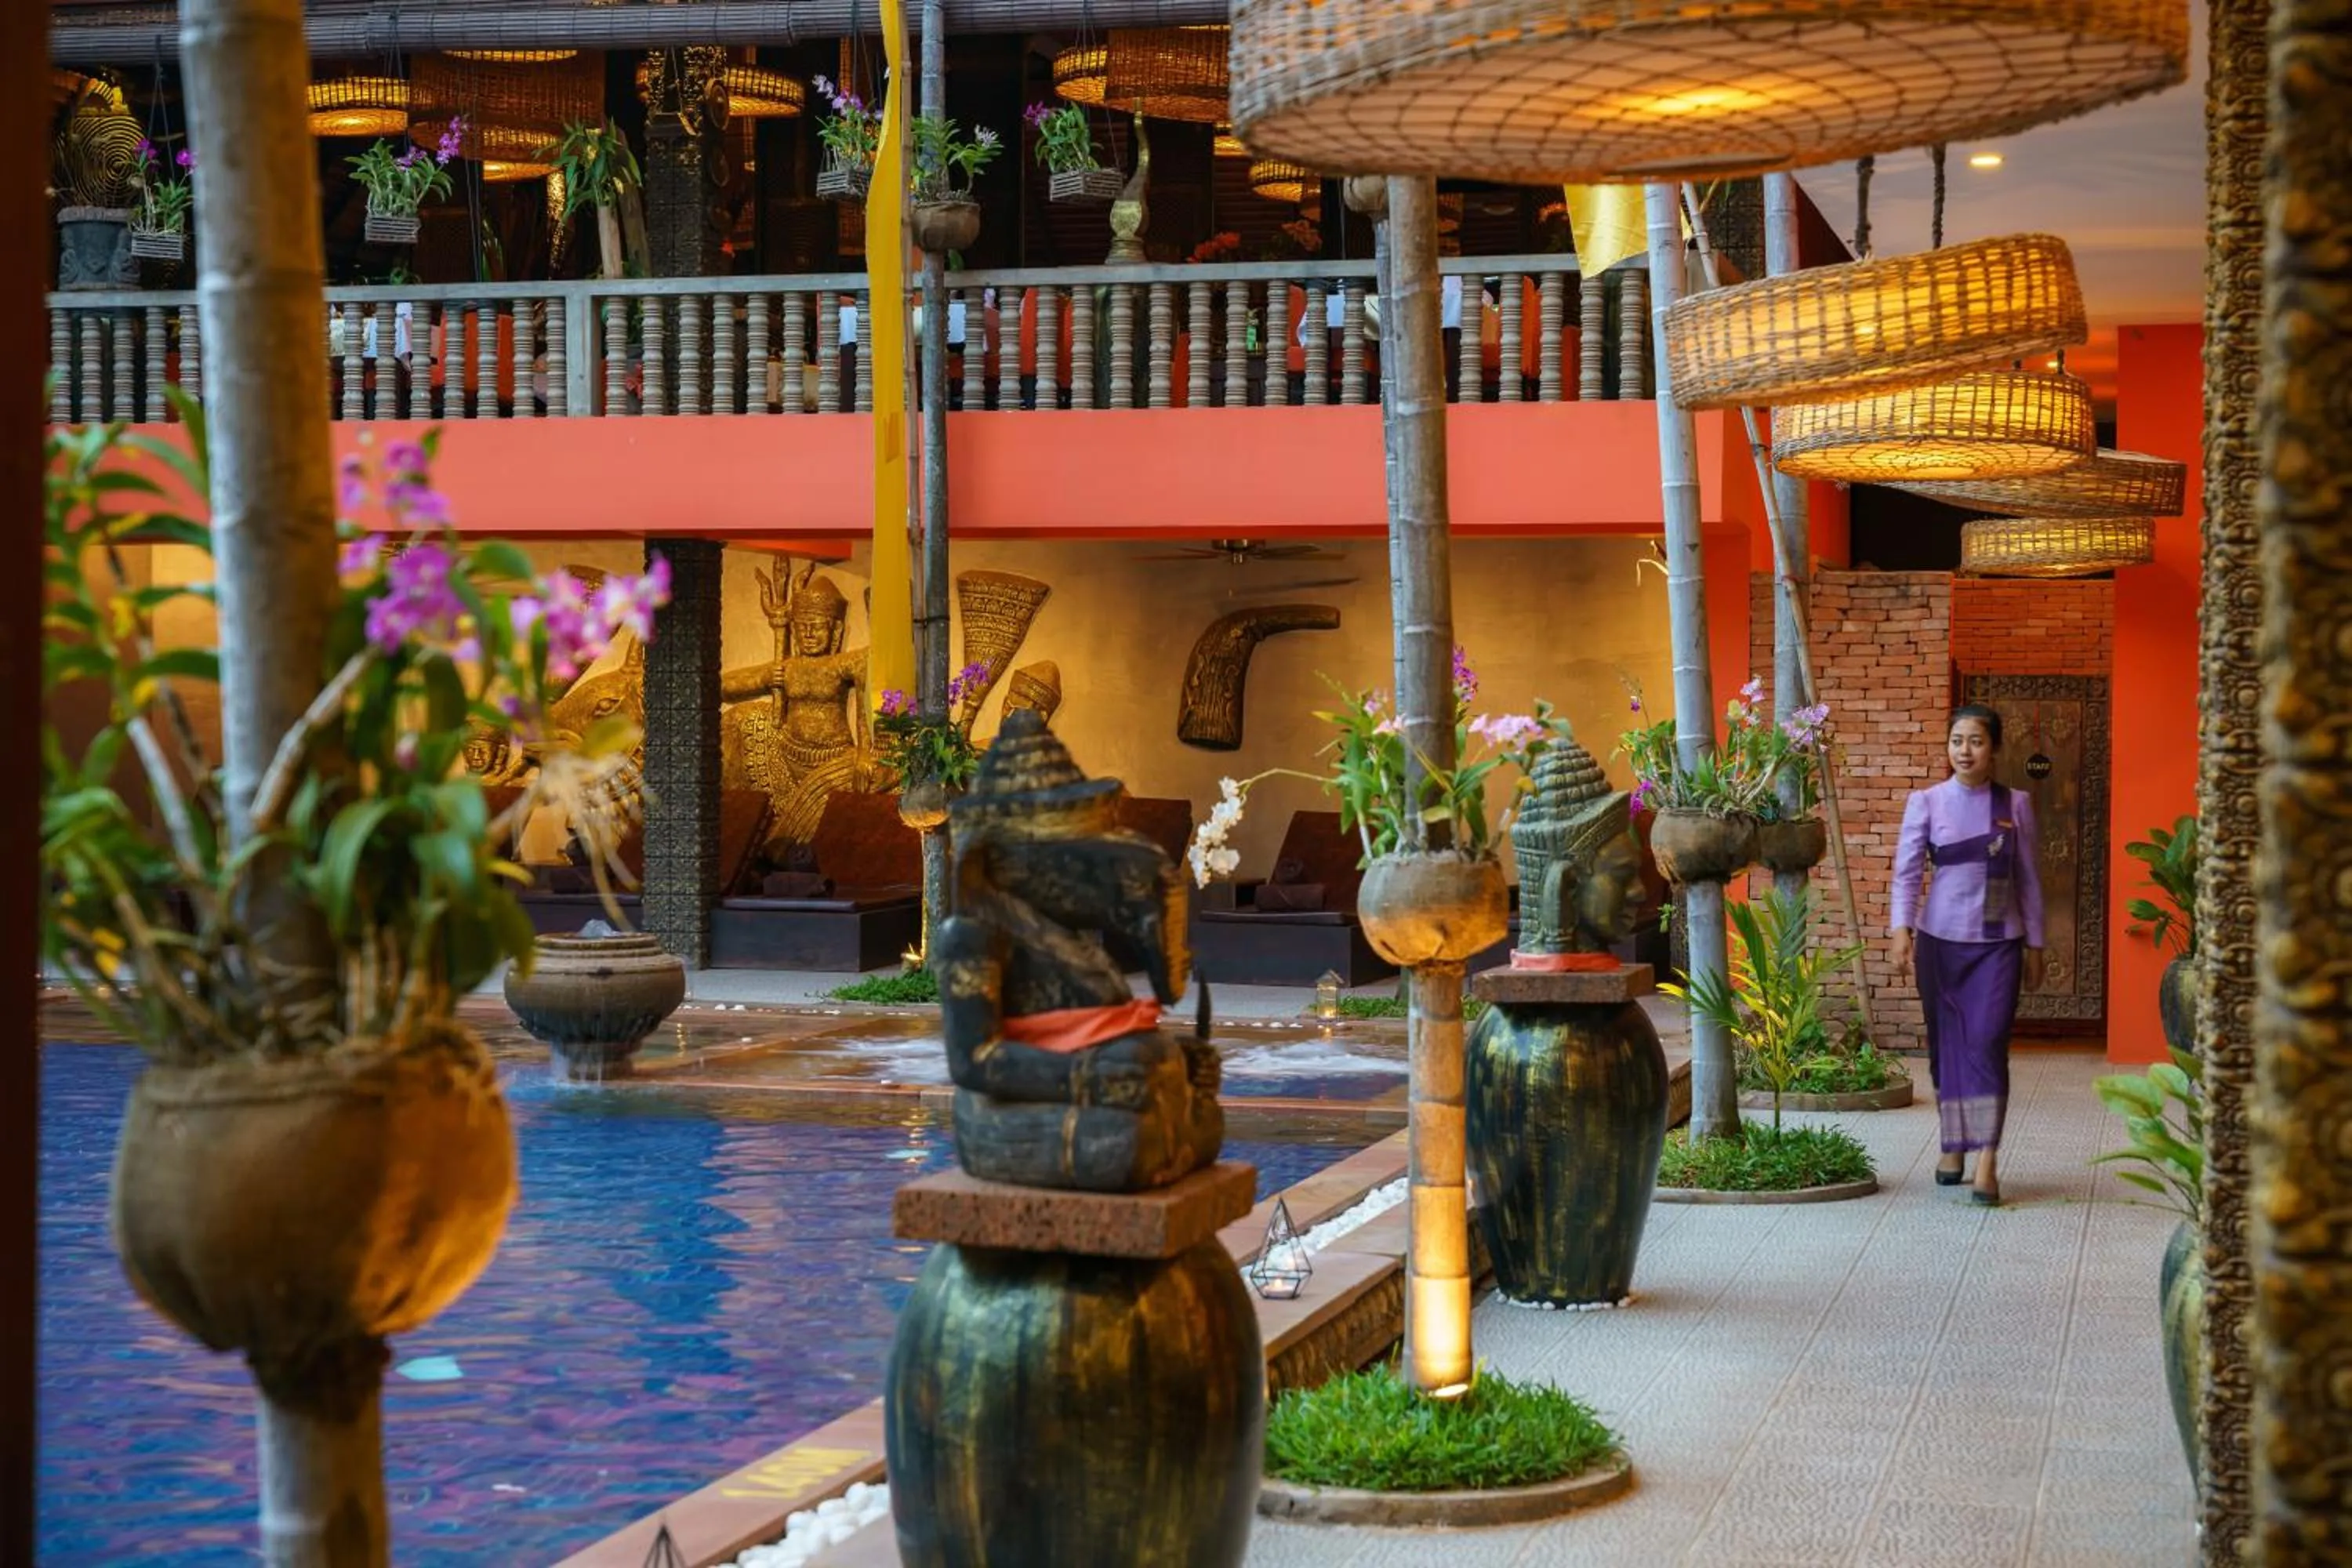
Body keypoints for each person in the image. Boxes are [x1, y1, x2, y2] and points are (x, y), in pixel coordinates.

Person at [1889, 704, 2046, 1207]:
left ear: (1994, 748)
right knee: (1947, 1049)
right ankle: (1953, 1145)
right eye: (1957, 740)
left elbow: (2028, 878)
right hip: (1939, 943)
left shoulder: (2015, 804)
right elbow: (1908, 872)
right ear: (1948, 747)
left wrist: (2037, 943)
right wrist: (1901, 929)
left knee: (1986, 1045)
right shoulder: (1926, 803)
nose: (1965, 750)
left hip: (1999, 945)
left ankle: (1987, 1160)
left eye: (1976, 741)